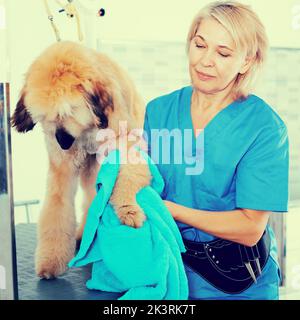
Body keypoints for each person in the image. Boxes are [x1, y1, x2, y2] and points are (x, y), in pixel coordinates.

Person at [143, 1, 289, 300]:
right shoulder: (158, 111)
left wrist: (168, 211)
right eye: (200, 45)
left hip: (238, 281)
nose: (205, 61)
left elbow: (250, 227)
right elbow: (140, 180)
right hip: (170, 273)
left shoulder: (263, 127)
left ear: (246, 62)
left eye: (223, 53)